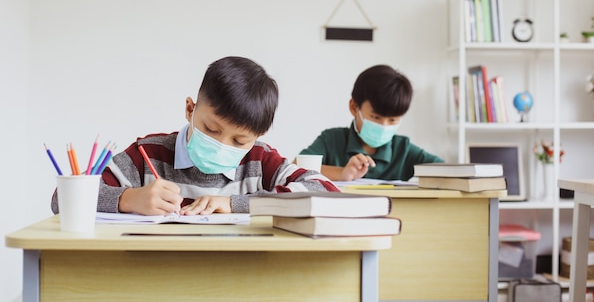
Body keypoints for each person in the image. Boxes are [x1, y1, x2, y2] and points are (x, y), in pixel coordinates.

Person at [51, 56, 338, 215]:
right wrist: (129, 198)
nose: (221, 144)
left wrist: (234, 204)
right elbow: (62, 200)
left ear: (257, 136)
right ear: (190, 109)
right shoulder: (147, 154)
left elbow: (325, 190)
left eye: (239, 141)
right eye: (211, 129)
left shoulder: (259, 161)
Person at [299, 64, 443, 182]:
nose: (384, 126)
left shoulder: (403, 150)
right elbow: (296, 168)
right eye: (375, 117)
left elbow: (447, 171)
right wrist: (342, 173)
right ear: (354, 107)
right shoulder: (331, 140)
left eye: (393, 120)